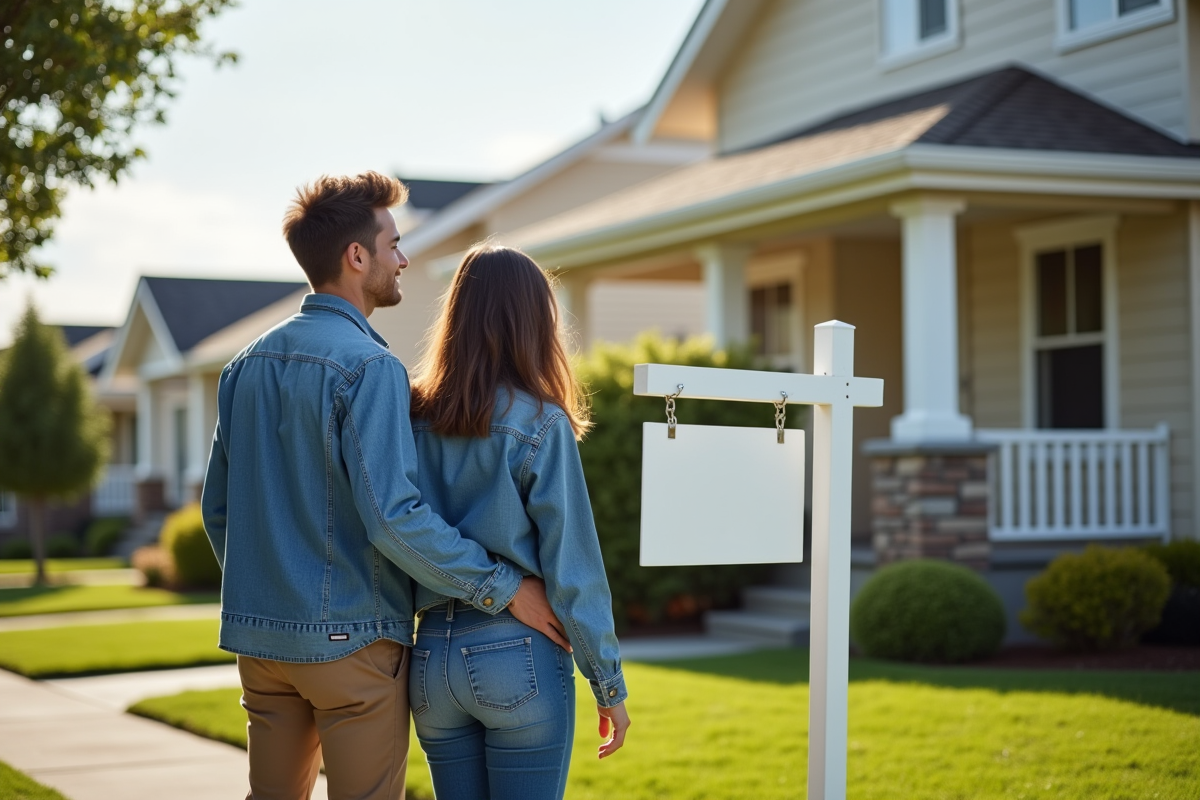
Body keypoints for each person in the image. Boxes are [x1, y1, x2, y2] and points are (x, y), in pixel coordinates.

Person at [200, 173, 570, 800]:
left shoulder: (244, 366)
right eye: (394, 244)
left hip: (261, 642)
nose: (403, 259)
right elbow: (394, 517)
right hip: (353, 643)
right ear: (356, 257)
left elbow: (219, 512)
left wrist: (271, 598)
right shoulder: (371, 368)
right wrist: (506, 588)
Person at [407, 244, 630, 800]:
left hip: (431, 658)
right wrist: (609, 685)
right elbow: (573, 566)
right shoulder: (540, 422)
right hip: (517, 655)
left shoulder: (410, 417)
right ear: (532, 321)